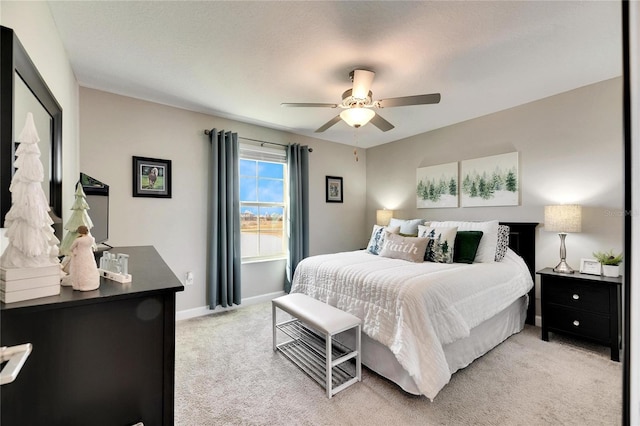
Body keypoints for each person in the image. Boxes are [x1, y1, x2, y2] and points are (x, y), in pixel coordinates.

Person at [62, 225, 100, 291]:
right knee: (89, 268)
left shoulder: (78, 240)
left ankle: (80, 285)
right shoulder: (91, 239)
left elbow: (71, 248)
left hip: (80, 256)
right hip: (88, 255)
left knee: (80, 270)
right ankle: (90, 284)